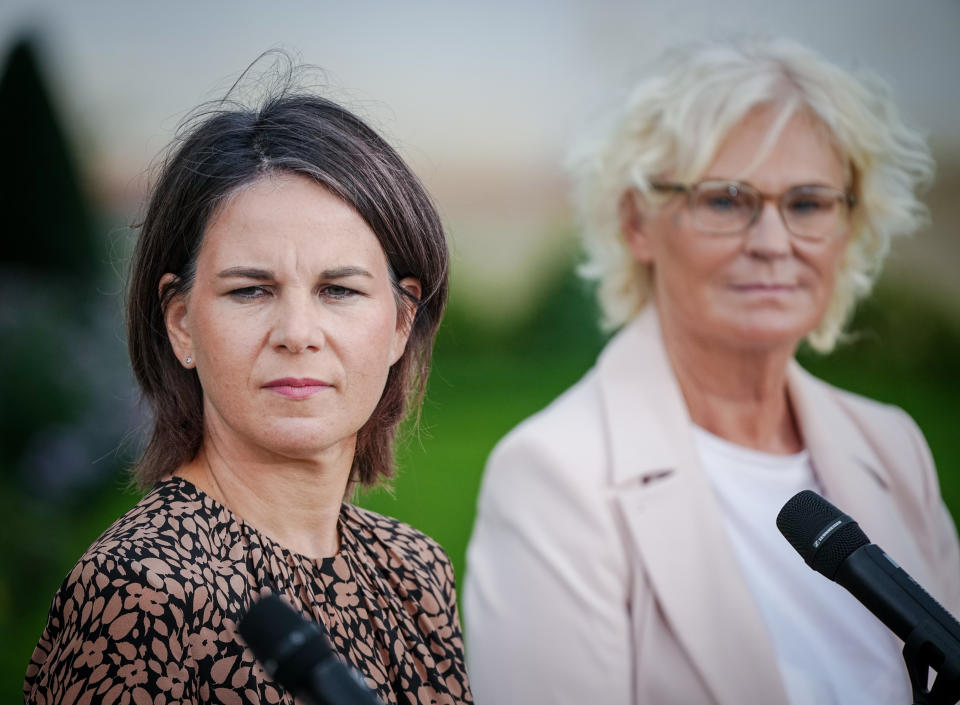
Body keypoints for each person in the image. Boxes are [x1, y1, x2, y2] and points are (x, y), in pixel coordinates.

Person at [465, 37, 960, 705]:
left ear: (850, 225)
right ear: (637, 221)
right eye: (726, 201)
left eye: (809, 203)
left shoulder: (894, 444)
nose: (772, 241)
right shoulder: (554, 474)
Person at [24, 76, 473, 705]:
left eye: (338, 290)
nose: (296, 333)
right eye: (250, 290)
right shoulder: (137, 595)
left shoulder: (413, 572)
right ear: (180, 322)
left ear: (401, 323)